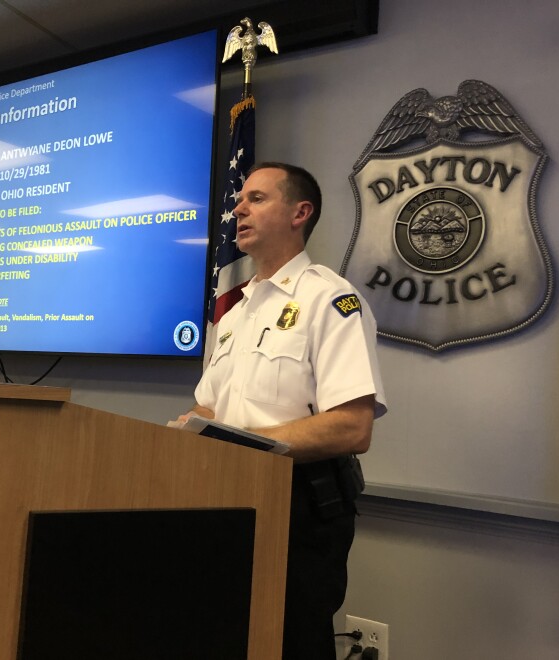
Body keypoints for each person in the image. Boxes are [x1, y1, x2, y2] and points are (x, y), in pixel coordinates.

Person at [178, 162, 387, 660]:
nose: (238, 208)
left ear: (300, 212)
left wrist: (245, 444)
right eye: (240, 199)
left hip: (300, 506)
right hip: (225, 497)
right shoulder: (235, 311)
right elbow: (209, 404)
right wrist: (188, 430)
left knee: (290, 641)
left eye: (256, 199)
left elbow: (353, 427)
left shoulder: (330, 299)